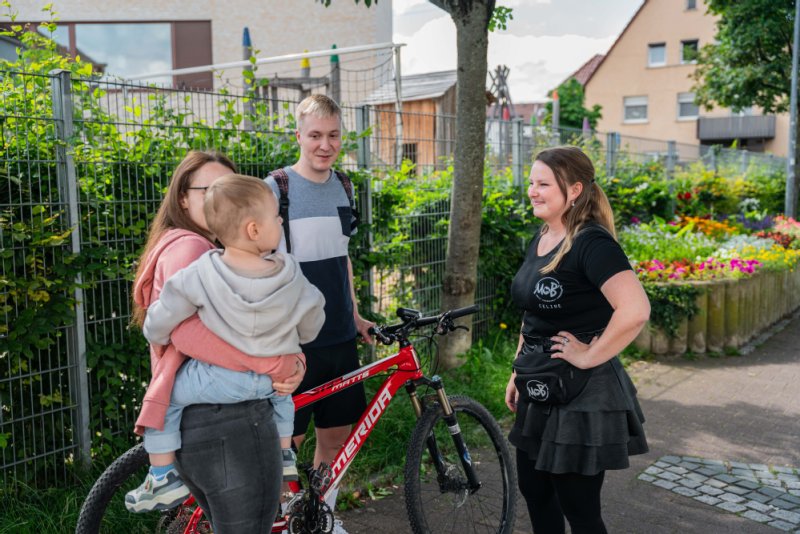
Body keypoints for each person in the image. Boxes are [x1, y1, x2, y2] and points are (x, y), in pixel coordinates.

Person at [128, 151, 305, 531]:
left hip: (206, 421)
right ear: (182, 198)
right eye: (208, 189)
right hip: (229, 422)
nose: (218, 199)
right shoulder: (192, 248)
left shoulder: (205, 249)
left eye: (227, 189)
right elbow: (187, 333)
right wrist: (273, 365)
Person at [504, 146, 650, 534]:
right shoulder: (541, 237)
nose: (533, 191)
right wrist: (516, 371)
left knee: (578, 508)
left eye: (543, 184)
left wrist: (588, 356)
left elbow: (634, 310)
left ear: (574, 190)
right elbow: (533, 314)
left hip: (581, 393)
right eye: (531, 182)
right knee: (535, 491)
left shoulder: (591, 243)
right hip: (539, 381)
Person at [264, 94, 373, 531]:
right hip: (293, 341)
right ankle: (286, 519)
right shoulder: (276, 188)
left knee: (336, 435)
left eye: (332, 135)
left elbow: (342, 260)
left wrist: (358, 314)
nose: (324, 145)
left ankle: (320, 514)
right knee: (287, 441)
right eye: (315, 135)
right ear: (299, 136)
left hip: (340, 337)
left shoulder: (346, 187)